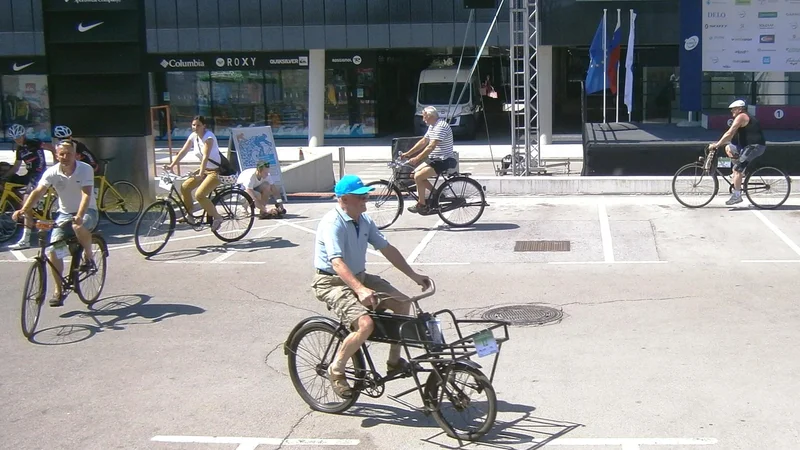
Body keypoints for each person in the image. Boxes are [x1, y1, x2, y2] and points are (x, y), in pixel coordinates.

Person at [313, 174, 431, 398]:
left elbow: (387, 249)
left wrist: (414, 275)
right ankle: (336, 368)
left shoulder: (363, 220)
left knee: (403, 304)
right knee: (365, 325)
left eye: (365, 195)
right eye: (359, 197)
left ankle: (394, 361)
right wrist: (359, 289)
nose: (365, 200)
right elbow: (336, 262)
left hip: (360, 276)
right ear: (344, 200)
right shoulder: (332, 223)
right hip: (331, 281)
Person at [12, 140, 98, 307]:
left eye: (69, 154)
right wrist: (23, 210)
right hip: (64, 214)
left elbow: (86, 195)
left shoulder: (84, 169)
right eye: (62, 154)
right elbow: (38, 191)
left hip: (88, 211)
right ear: (57, 155)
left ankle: (88, 255)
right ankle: (59, 291)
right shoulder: (52, 172)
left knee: (78, 226)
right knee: (54, 250)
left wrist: (80, 215)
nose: (65, 157)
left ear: (76, 155)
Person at [164, 116, 224, 231]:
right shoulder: (193, 136)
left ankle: (217, 218)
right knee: (185, 187)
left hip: (215, 171)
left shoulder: (209, 137)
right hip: (205, 169)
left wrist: (200, 174)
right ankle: (190, 216)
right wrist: (172, 165)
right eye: (193, 125)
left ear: (204, 126)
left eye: (198, 125)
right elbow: (183, 151)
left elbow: (206, 156)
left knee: (199, 195)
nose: (195, 128)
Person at [399, 106, 458, 214]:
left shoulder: (441, 126)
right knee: (413, 174)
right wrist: (408, 154)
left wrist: (417, 158)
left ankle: (422, 204)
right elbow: (423, 141)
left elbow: (431, 146)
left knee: (419, 176)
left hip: (443, 160)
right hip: (434, 159)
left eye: (424, 116)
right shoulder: (432, 126)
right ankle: (436, 193)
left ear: (431, 116)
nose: (423, 119)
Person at [708, 99, 767, 206]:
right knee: (728, 148)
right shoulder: (742, 116)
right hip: (746, 147)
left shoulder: (742, 116)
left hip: (754, 146)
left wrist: (717, 144)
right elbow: (731, 138)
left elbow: (730, 133)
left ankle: (737, 195)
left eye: (733, 109)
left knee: (736, 169)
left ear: (740, 109)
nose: (732, 112)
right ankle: (739, 172)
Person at [4, 124, 48, 250]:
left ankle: (25, 240)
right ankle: (19, 203)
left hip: (39, 175)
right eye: (14, 138)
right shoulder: (20, 149)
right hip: (29, 175)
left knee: (26, 204)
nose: (17, 140)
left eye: (18, 137)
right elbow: (16, 167)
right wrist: (5, 177)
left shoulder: (34, 143)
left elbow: (50, 148)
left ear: (23, 135)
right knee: (8, 179)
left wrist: (58, 163)